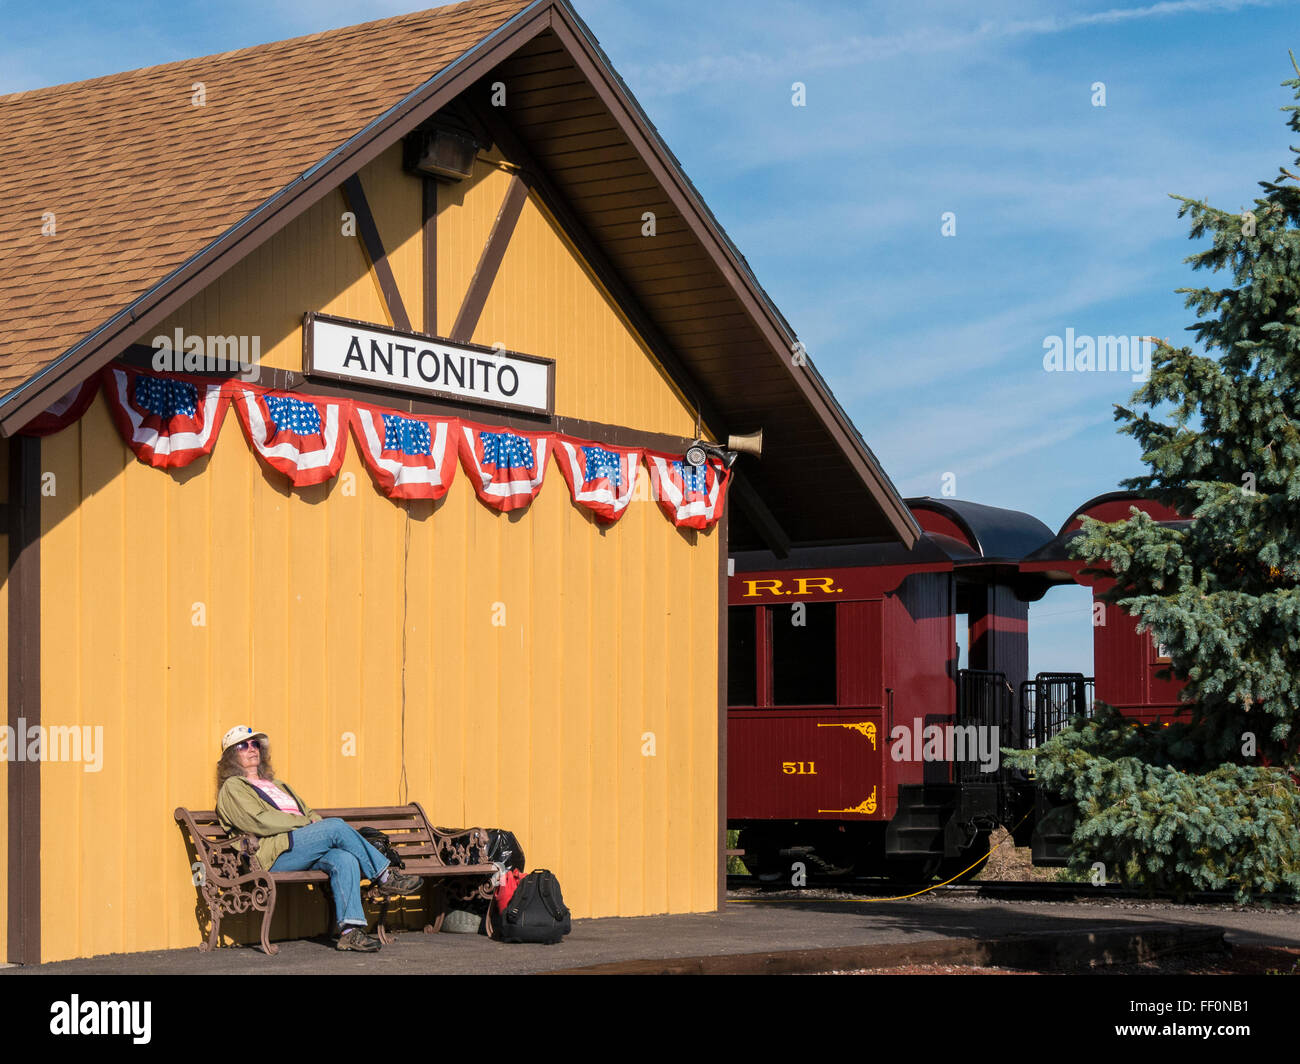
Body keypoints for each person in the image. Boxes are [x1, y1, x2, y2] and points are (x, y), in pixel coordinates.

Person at [215, 725, 422, 952]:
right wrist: (307, 824)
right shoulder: (233, 788)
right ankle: (384, 877)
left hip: (301, 846)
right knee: (334, 826)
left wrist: (311, 822)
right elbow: (259, 820)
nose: (252, 749)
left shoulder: (278, 785)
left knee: (344, 858)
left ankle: (350, 932)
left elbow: (308, 813)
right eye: (243, 745)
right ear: (231, 756)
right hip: (273, 854)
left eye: (255, 744)